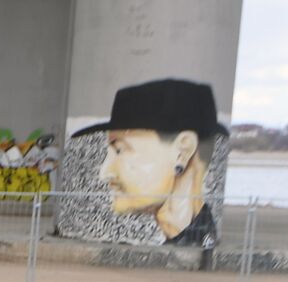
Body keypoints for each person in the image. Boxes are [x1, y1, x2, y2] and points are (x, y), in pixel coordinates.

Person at [72, 78, 229, 247]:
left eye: (120, 150)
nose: (104, 172)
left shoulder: (189, 245)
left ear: (183, 152)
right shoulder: (191, 237)